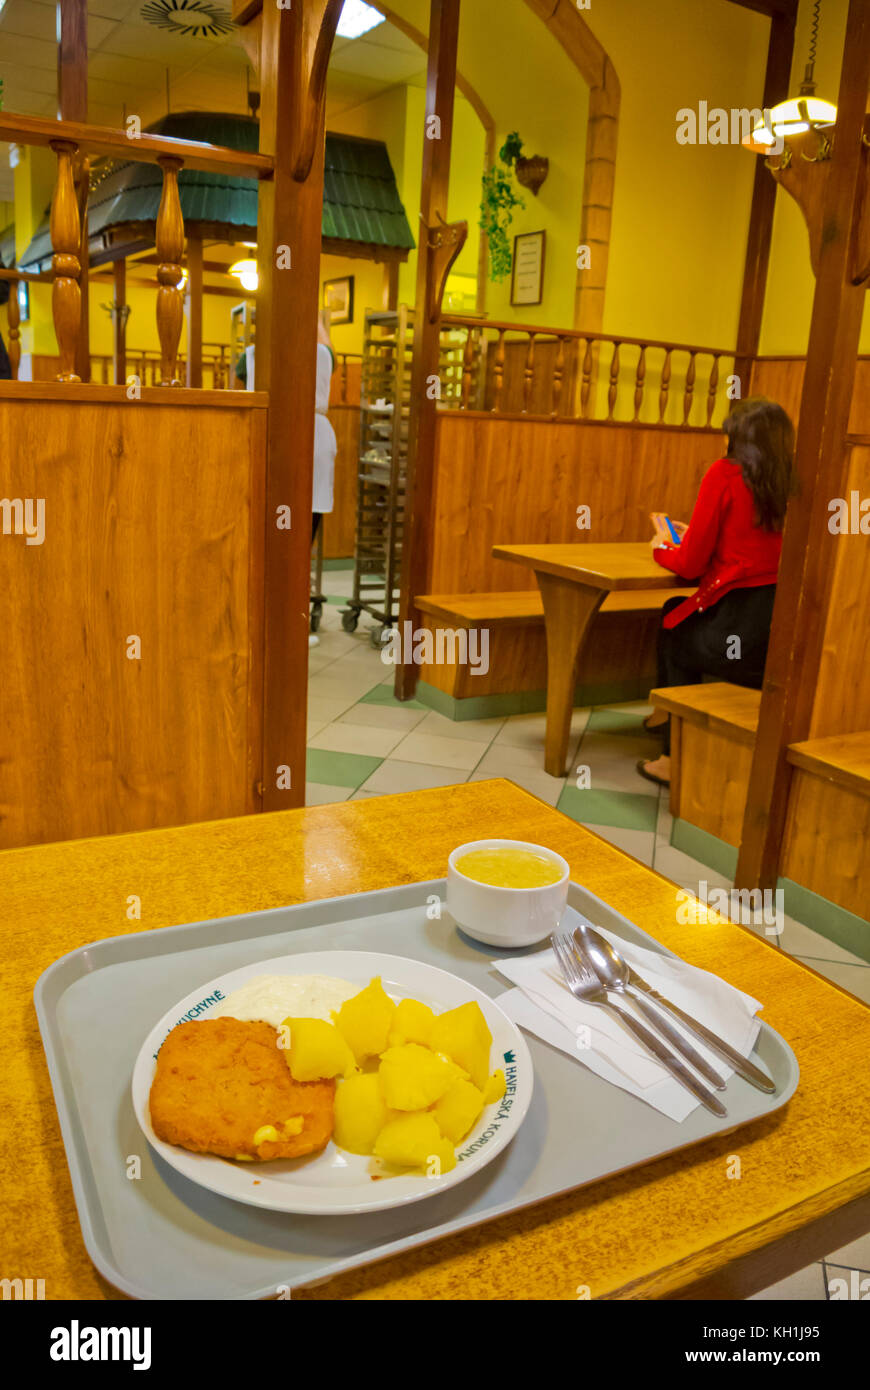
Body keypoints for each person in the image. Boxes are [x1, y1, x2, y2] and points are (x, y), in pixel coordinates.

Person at [638, 396, 795, 787]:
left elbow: (690, 564)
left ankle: (673, 756)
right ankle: (665, 714)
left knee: (675, 629)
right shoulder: (794, 481)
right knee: (677, 611)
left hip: (733, 631)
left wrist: (663, 546)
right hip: (777, 636)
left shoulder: (724, 474)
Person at [309, 311, 337, 648]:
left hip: (309, 441)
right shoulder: (324, 354)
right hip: (316, 442)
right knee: (303, 540)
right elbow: (328, 347)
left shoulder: (257, 353)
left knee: (297, 540)